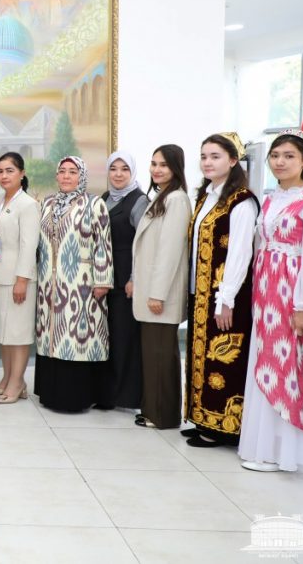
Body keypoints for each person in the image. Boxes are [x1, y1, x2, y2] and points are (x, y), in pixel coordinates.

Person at [239, 130, 303, 472]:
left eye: (289, 156)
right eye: (275, 156)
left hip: (292, 292)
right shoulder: (271, 198)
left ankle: (284, 451)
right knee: (264, 361)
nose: (280, 162)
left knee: (289, 367)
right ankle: (262, 446)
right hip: (266, 292)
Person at [184, 133, 258, 448]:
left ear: (233, 160)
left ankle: (222, 426)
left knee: (223, 359)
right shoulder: (207, 196)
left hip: (225, 297)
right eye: (204, 156)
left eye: (215, 156)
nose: (207, 162)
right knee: (200, 356)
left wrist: (225, 300)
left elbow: (240, 254)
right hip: (201, 295)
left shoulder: (241, 201)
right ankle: (202, 418)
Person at [34, 156, 114, 413]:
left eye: (73, 172)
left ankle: (76, 397)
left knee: (77, 337)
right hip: (49, 283)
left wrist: (102, 279)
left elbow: (103, 243)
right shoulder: (47, 203)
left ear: (82, 176)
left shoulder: (94, 203)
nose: (66, 176)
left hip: (82, 281)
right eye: (62, 171)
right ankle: (51, 395)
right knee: (52, 335)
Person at [130, 145, 190, 429]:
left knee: (161, 356)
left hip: (160, 294)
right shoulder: (163, 196)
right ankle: (153, 410)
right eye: (154, 164)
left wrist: (157, 293)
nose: (156, 169)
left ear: (176, 168)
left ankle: (163, 415)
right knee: (154, 355)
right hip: (150, 290)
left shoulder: (176, 200)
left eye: (163, 165)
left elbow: (169, 251)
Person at [0, 152, 39, 404]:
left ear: (22, 173)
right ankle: (7, 378)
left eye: (10, 170)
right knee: (2, 332)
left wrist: (22, 280)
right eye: (0, 171)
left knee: (17, 333)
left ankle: (18, 382)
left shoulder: (28, 204)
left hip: (18, 278)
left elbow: (29, 246)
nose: (4, 175)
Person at [99, 151, 149, 410]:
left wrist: (134, 279)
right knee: (108, 337)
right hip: (105, 278)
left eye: (124, 169)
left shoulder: (139, 201)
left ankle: (127, 396)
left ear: (132, 172)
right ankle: (108, 394)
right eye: (113, 169)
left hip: (126, 280)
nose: (118, 174)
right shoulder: (105, 198)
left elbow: (144, 243)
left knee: (125, 338)